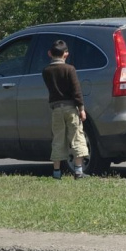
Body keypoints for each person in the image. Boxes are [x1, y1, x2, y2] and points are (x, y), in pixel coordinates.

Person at [42, 40, 88, 180]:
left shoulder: (46, 71)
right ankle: (78, 170)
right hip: (70, 108)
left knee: (58, 138)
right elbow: (76, 91)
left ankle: (56, 172)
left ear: (50, 53)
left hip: (56, 109)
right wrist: (81, 108)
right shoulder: (70, 69)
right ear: (66, 54)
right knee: (76, 136)